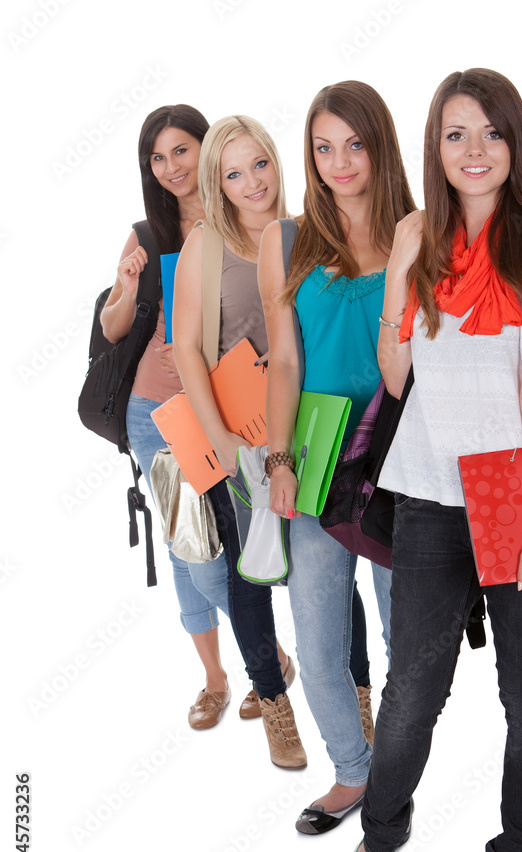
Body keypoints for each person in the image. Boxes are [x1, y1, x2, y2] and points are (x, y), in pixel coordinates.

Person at [335, 68, 522, 852]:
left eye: (489, 132)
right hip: (430, 489)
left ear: (514, 143)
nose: (473, 151)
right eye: (454, 134)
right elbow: (401, 375)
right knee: (412, 688)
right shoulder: (423, 242)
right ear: (435, 150)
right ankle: (381, 833)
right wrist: (403, 271)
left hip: (521, 488)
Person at [258, 81, 417, 831]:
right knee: (319, 645)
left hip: (399, 458)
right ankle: (352, 774)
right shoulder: (283, 241)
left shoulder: (421, 233)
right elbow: (283, 362)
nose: (339, 161)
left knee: (406, 644)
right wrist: (279, 459)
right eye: (323, 147)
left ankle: (393, 779)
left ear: (380, 146)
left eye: (354, 143)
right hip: (317, 457)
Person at [172, 115, 309, 766]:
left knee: (320, 566)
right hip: (240, 433)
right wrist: (221, 437)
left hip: (308, 427)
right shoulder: (206, 242)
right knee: (249, 574)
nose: (252, 182)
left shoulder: (310, 231)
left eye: (260, 164)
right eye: (233, 173)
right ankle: (275, 706)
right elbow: (187, 348)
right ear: (217, 184)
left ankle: (359, 700)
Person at [101, 105, 236, 731]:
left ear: (207, 149)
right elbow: (113, 328)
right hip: (154, 409)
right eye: (158, 158)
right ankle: (222, 676)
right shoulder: (147, 233)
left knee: (225, 547)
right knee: (188, 550)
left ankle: (269, 663)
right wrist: (127, 286)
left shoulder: (241, 211)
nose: (171, 167)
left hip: (229, 406)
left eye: (181, 150)